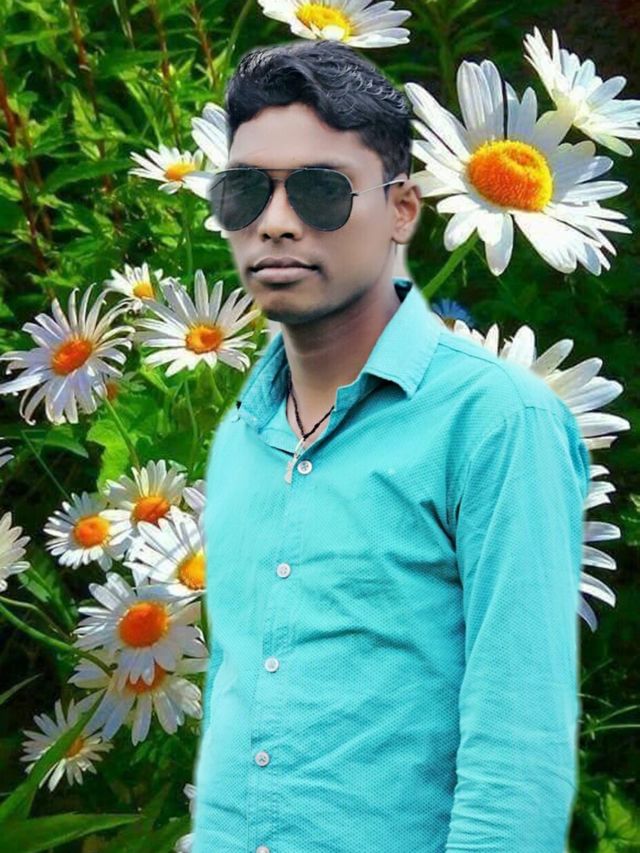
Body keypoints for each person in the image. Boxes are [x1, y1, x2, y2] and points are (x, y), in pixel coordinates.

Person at [192, 39, 591, 853]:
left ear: (403, 209)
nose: (275, 222)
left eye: (320, 190)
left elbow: (518, 751)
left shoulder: (497, 422)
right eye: (245, 191)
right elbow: (240, 698)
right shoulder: (240, 438)